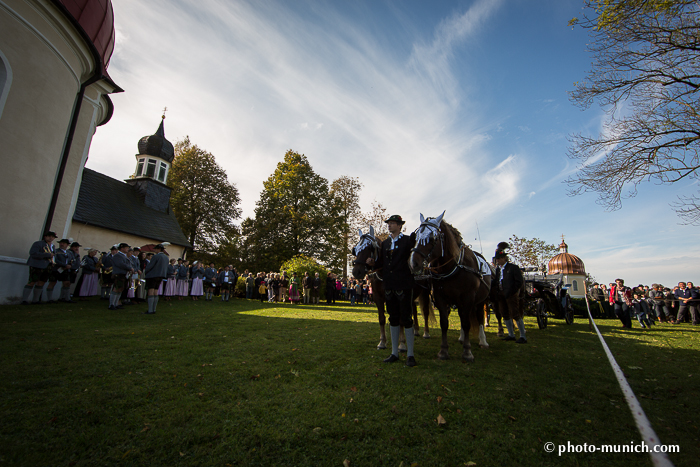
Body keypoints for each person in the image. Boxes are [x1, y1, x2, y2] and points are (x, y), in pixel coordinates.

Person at [366, 214, 417, 367]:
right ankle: (394, 352)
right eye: (389, 223)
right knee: (393, 318)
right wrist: (372, 263)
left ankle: (410, 355)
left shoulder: (408, 240)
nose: (389, 225)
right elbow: (382, 263)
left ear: (400, 225)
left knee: (407, 319)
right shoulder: (386, 243)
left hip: (404, 285)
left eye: (393, 223)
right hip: (389, 286)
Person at [493, 243, 526, 343]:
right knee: (504, 314)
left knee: (515, 314)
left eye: (499, 259)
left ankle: (522, 336)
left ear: (504, 258)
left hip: (510, 294)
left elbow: (519, 281)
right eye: (497, 259)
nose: (497, 261)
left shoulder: (513, 268)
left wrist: (513, 291)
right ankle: (511, 334)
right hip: (501, 295)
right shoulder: (498, 270)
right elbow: (496, 281)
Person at [22, 231, 57, 305]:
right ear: (45, 236)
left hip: (48, 266)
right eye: (49, 236)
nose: (51, 238)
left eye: (52, 237)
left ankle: (35, 300)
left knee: (41, 282)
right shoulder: (38, 243)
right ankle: (24, 300)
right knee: (32, 282)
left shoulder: (53, 246)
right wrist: (47, 255)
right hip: (37, 265)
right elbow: (33, 253)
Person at [143, 243, 169, 314]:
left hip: (153, 275)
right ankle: (153, 309)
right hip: (160, 276)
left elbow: (150, 266)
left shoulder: (156, 257)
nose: (155, 250)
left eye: (156, 249)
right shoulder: (166, 257)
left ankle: (150, 309)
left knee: (151, 291)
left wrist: (146, 271)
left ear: (159, 249)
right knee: (156, 291)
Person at [109, 243, 134, 310]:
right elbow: (121, 264)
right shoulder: (118, 255)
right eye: (126, 248)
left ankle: (116, 303)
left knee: (120, 289)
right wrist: (129, 268)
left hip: (124, 274)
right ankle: (112, 304)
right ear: (122, 248)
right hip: (118, 274)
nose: (127, 249)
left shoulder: (124, 256)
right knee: (116, 288)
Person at [53, 239, 75, 303]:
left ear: (67, 245)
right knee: (53, 282)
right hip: (57, 269)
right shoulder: (56, 251)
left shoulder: (69, 252)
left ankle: (65, 298)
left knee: (67, 283)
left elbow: (72, 260)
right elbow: (55, 260)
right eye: (61, 243)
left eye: (63, 243)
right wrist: (64, 265)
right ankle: (49, 299)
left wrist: (70, 265)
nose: (62, 244)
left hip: (66, 270)